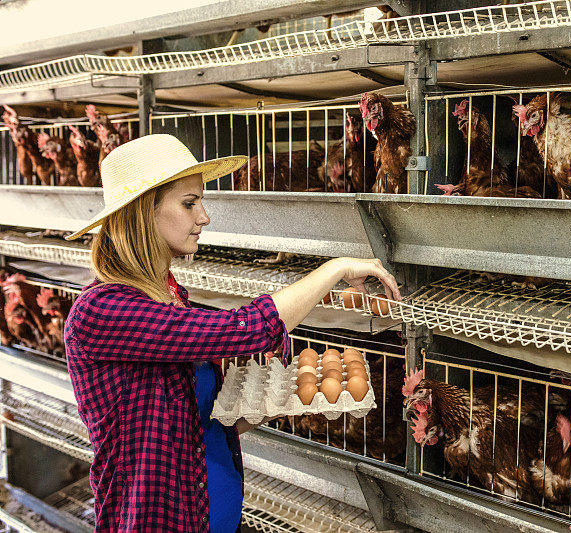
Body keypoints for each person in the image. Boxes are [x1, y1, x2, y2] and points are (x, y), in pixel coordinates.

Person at [63, 134, 401, 532]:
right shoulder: (102, 311)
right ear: (141, 213)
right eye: (189, 203)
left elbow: (195, 423)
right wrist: (335, 269)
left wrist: (262, 407)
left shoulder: (172, 295)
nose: (203, 217)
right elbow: (247, 329)